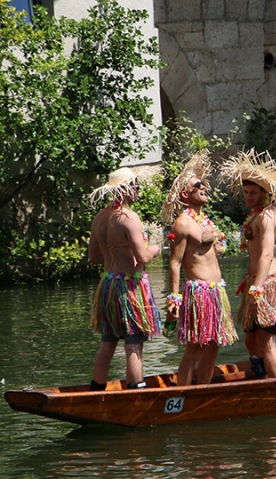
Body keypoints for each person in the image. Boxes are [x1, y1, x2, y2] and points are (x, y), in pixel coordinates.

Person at [162, 152, 238, 386]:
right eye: (197, 185)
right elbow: (174, 262)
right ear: (186, 194)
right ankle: (183, 394)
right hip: (200, 292)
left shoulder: (204, 220)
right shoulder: (182, 223)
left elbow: (217, 247)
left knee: (213, 345)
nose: (204, 186)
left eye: (203, 183)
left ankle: (203, 389)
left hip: (216, 291)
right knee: (196, 346)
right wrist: (174, 299)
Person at [87, 167, 162, 390]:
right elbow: (143, 257)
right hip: (130, 286)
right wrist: (156, 249)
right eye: (136, 186)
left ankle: (97, 388)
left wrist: (115, 255)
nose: (138, 190)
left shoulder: (100, 217)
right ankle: (136, 388)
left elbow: (94, 257)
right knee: (134, 341)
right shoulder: (130, 218)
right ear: (126, 189)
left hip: (109, 284)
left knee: (108, 341)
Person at [220, 149, 276, 379]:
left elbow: (268, 254)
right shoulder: (256, 215)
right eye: (246, 192)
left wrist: (258, 288)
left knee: (266, 341)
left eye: (253, 192)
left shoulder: (268, 216)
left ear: (264, 192)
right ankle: (259, 371)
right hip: (254, 282)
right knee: (250, 336)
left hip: (266, 284)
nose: (248, 196)